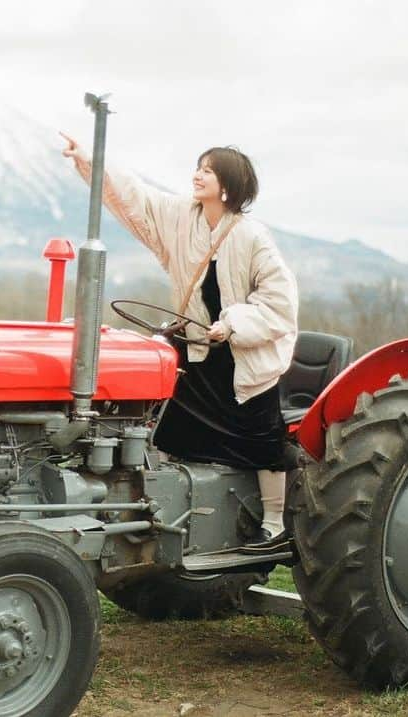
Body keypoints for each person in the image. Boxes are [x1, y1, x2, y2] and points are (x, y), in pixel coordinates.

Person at [61, 133, 299, 546]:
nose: (198, 175)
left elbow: (279, 303)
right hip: (195, 348)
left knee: (263, 436)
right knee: (169, 427)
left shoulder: (252, 237)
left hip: (241, 356)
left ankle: (275, 523)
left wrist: (234, 323)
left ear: (227, 185)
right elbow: (136, 197)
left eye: (208, 170)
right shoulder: (181, 217)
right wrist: (90, 161)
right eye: (198, 167)